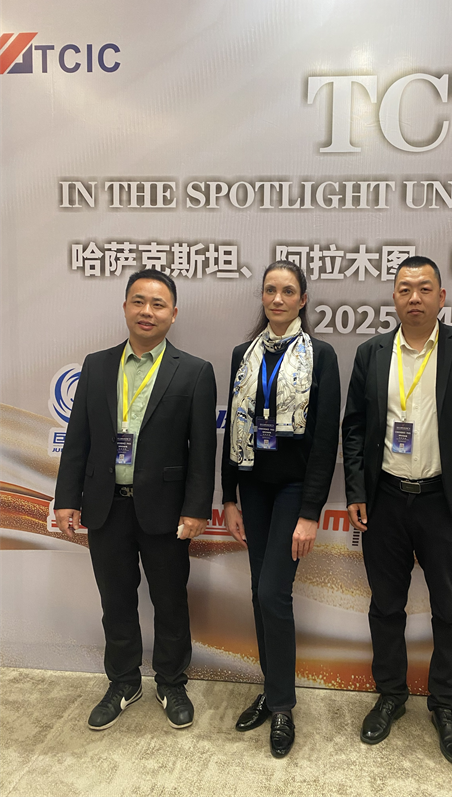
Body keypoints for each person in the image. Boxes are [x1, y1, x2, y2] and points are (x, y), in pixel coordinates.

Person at [342, 255, 452, 765]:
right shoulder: (372, 353)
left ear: (441, 297)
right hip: (386, 501)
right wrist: (356, 491)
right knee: (385, 607)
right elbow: (355, 428)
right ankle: (391, 695)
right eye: (404, 288)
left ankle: (445, 705)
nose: (413, 297)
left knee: (451, 611)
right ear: (393, 298)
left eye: (423, 288)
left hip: (445, 502)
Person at [54, 270, 217, 731]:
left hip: (165, 510)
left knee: (170, 600)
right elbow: (78, 438)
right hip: (105, 505)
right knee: (116, 600)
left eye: (158, 304)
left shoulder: (195, 371)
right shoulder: (97, 365)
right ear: (125, 306)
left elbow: (202, 451)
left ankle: (172, 682)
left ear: (173, 314)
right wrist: (66, 499)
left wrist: (196, 508)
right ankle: (124, 681)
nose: (148, 312)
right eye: (139, 301)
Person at [222, 260, 340, 758]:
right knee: (259, 593)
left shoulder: (321, 355)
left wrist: (311, 512)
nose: (277, 298)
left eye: (288, 291)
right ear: (262, 296)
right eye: (270, 290)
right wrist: (228, 497)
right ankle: (272, 693)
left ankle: (283, 706)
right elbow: (232, 427)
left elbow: (325, 440)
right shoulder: (242, 354)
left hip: (293, 489)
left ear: (303, 299)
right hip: (253, 486)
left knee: (273, 593)